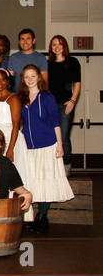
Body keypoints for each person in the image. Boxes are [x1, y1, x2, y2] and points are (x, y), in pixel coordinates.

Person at [18, 64, 74, 233]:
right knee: (33, 182)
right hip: (28, 146)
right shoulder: (21, 99)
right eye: (26, 77)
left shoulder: (47, 98)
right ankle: (33, 217)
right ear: (23, 80)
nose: (30, 80)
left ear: (39, 78)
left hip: (48, 144)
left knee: (46, 181)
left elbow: (56, 122)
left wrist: (60, 144)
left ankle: (42, 217)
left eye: (33, 76)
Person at [0, 68, 33, 221]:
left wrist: (10, 148)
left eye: (3, 79)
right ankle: (0, 210)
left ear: (8, 81)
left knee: (15, 174)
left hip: (11, 138)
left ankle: (21, 213)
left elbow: (15, 125)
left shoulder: (13, 98)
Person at [47, 35, 81, 177]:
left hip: (65, 104)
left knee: (64, 136)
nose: (57, 47)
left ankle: (66, 167)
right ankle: (54, 166)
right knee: (52, 136)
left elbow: (77, 83)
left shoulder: (72, 62)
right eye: (54, 44)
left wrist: (72, 101)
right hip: (51, 105)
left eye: (59, 44)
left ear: (64, 46)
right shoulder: (48, 64)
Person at [8, 28, 48, 93]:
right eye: (22, 39)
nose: (25, 42)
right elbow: (9, 80)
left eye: (28, 39)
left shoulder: (41, 58)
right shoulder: (13, 57)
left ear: (34, 41)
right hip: (18, 97)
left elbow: (44, 82)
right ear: (19, 41)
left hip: (36, 97)